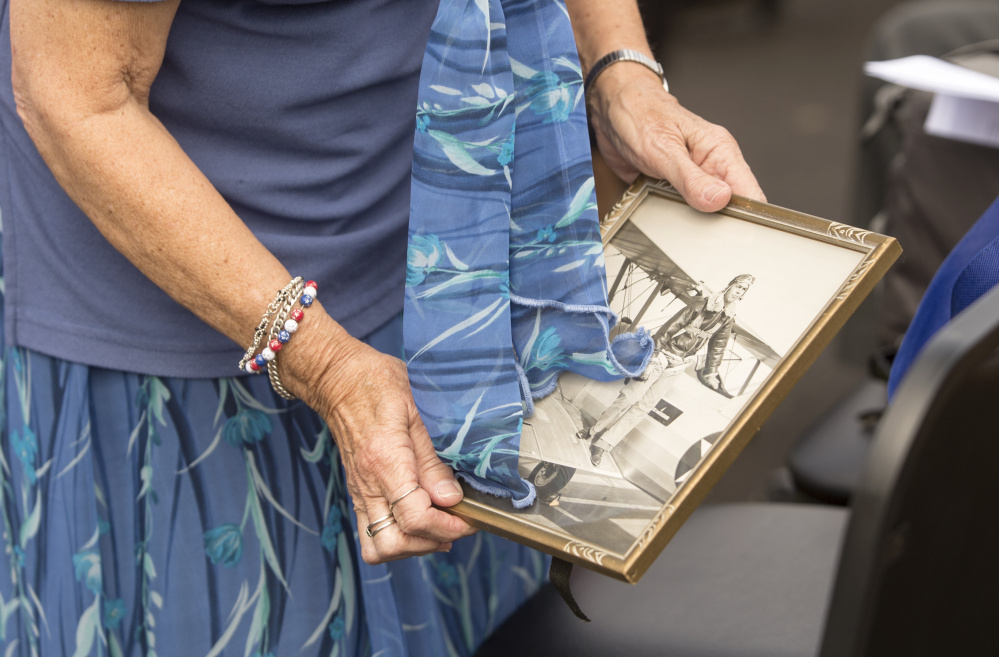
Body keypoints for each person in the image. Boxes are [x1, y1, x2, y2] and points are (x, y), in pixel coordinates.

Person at [0, 0, 764, 655]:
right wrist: (326, 364)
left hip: (447, 269)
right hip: (193, 345)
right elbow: (78, 97)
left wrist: (617, 70)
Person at [581, 274, 754, 466]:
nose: (740, 291)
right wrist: (652, 356)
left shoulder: (727, 319)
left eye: (744, 290)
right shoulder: (700, 304)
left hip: (680, 364)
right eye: (738, 286)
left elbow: (718, 346)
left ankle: (604, 445)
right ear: (730, 286)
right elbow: (669, 327)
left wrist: (711, 372)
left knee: (643, 407)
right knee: (629, 398)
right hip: (662, 355)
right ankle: (593, 431)